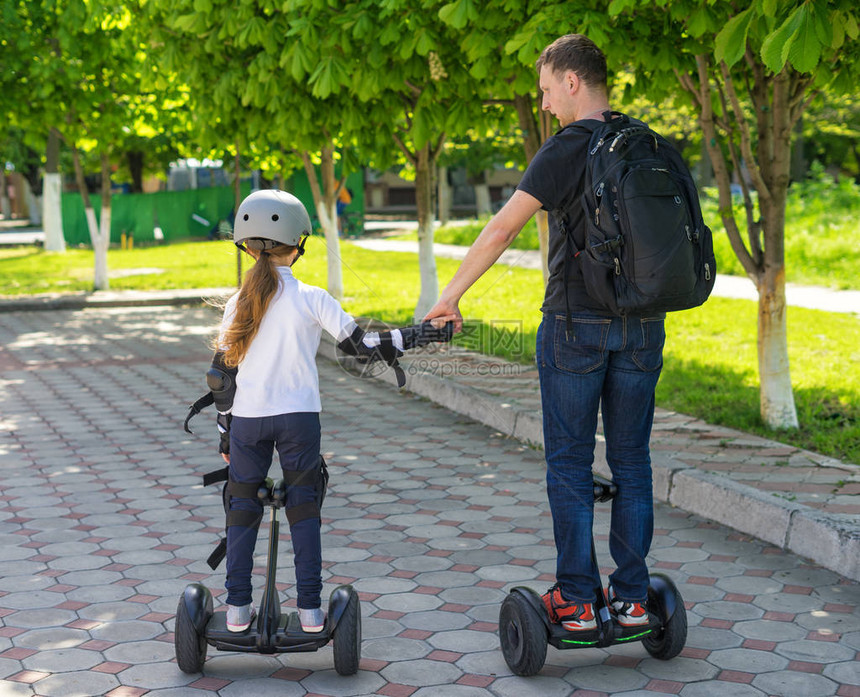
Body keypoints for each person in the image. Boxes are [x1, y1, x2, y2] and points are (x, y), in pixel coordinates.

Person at [425, 34, 662, 632]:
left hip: (575, 325)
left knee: (570, 464)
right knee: (632, 461)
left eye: (547, 90)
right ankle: (633, 599)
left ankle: (578, 600)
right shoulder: (648, 143)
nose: (545, 104)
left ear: (572, 81)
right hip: (642, 327)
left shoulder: (567, 147)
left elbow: (503, 230)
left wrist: (450, 296)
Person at [211, 189, 451, 633]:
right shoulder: (312, 297)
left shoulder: (236, 302)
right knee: (304, 509)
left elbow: (223, 379)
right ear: (298, 244)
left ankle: (237, 612)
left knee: (242, 509)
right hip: (299, 419)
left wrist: (226, 434)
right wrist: (426, 334)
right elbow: (364, 348)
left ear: (244, 245)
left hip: (247, 420)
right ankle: (310, 613)